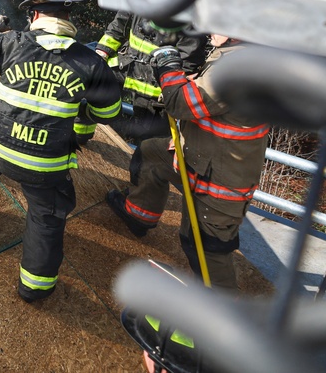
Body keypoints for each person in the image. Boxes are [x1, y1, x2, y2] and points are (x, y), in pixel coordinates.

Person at [0, 0, 122, 302]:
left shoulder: (11, 44)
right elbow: (108, 113)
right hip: (45, 166)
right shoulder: (90, 63)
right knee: (46, 215)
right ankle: (35, 286)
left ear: (35, 13)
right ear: (68, 14)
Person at [106, 33, 270, 290]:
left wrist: (168, 67)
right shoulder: (237, 55)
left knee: (204, 247)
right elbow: (211, 100)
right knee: (152, 153)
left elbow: (181, 103)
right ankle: (139, 215)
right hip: (202, 159)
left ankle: (219, 306)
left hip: (220, 183)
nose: (208, 29)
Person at [75, 12, 209, 148]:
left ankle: (141, 158)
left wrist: (173, 87)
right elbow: (119, 24)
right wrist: (102, 52)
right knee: (90, 91)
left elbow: (189, 59)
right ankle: (79, 136)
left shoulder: (189, 13)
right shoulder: (139, 1)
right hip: (126, 66)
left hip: (156, 86)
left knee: (148, 142)